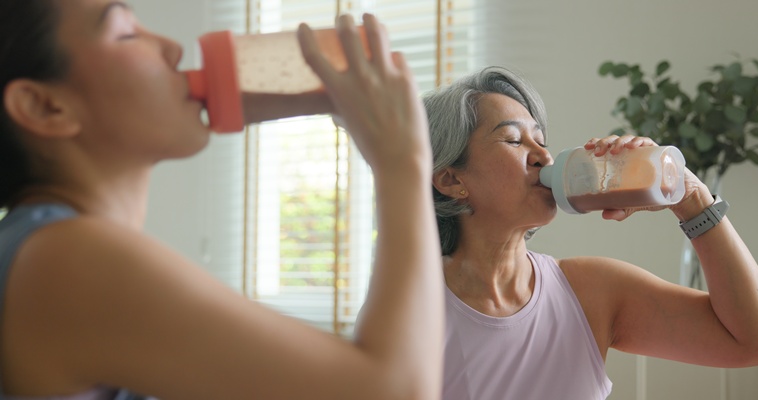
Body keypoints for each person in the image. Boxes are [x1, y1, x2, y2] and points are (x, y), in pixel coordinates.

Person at [0, 1, 443, 399]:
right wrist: (403, 160)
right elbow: (394, 392)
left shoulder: (42, 249)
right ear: (44, 107)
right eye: (126, 33)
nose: (173, 48)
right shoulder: (67, 258)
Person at [422, 66, 758, 400]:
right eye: (514, 140)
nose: (544, 157)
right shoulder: (412, 307)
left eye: (541, 141)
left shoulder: (590, 291)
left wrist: (691, 198)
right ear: (451, 179)